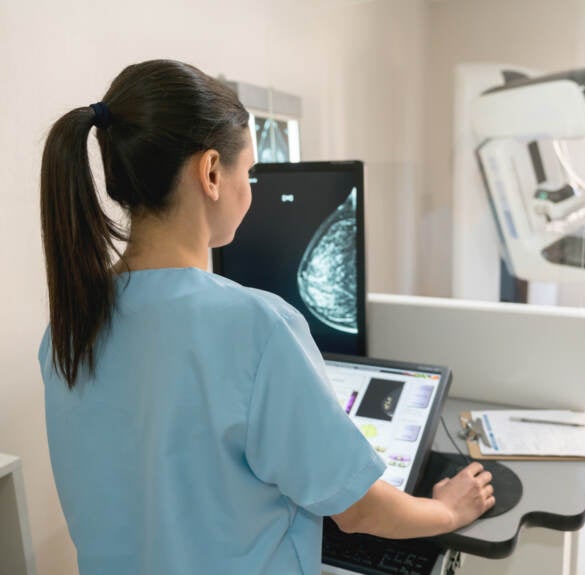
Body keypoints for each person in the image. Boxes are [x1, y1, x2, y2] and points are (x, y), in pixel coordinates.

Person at [38, 59, 494, 575]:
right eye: (248, 172)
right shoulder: (255, 327)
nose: (250, 189)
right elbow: (359, 510)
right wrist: (448, 508)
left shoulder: (67, 330)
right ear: (211, 173)